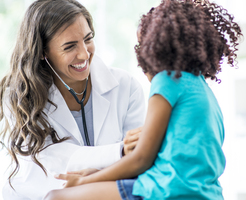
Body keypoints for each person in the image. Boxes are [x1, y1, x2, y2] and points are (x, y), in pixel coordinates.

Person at [44, 0, 243, 199]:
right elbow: (169, 158)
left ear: (156, 48)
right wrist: (99, 175)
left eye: (142, 46)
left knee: (56, 196)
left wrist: (83, 181)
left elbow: (141, 158)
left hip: (167, 190)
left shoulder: (168, 81)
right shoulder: (200, 88)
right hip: (205, 192)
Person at [0, 0, 145, 199]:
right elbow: (50, 162)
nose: (84, 54)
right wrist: (119, 152)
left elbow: (140, 159)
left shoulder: (126, 87)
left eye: (88, 39)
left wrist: (96, 176)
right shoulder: (19, 96)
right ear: (43, 52)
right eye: (69, 47)